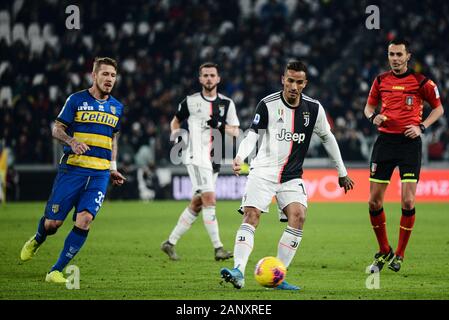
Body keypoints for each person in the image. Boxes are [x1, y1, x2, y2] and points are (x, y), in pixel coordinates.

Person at [220, 60, 354, 290]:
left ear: (305, 84)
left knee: (299, 215)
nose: (293, 85)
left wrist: (341, 172)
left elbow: (328, 138)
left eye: (298, 82)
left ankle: (277, 276)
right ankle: (238, 271)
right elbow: (253, 134)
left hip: (291, 176)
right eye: (290, 80)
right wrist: (240, 156)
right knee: (251, 215)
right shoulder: (267, 104)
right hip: (263, 171)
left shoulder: (313, 109)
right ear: (283, 79)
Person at [20, 57, 126, 283]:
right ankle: (39, 238)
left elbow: (113, 139)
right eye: (105, 74)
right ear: (94, 75)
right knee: (53, 225)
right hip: (73, 171)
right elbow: (56, 129)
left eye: (113, 75)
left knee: (85, 219)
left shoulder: (117, 107)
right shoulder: (76, 100)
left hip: (99, 174)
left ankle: (55, 270)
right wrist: (71, 141)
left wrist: (112, 168)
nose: (109, 79)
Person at [364, 38, 444, 273]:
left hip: (409, 144)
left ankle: (399, 254)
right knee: (373, 201)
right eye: (392, 54)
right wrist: (373, 117)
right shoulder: (380, 80)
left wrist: (422, 127)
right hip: (385, 142)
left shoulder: (422, 82)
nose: (395, 59)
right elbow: (368, 107)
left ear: (408, 56)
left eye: (399, 54)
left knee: (408, 201)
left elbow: (439, 108)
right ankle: (384, 249)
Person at [161, 62, 240, 261]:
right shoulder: (190, 101)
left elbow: (235, 131)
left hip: (214, 159)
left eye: (212, 75)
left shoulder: (227, 104)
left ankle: (170, 243)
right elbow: (175, 121)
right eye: (205, 75)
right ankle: (218, 248)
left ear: (218, 78)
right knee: (210, 199)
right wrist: (177, 136)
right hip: (196, 156)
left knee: (197, 204)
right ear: (200, 79)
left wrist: (220, 125)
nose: (209, 79)